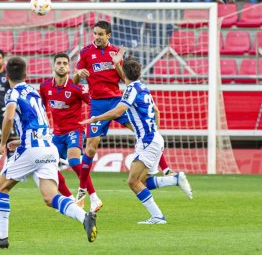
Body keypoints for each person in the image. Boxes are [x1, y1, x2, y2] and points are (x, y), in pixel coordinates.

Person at [0, 56, 97, 249]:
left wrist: (3, 143)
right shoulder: (34, 92)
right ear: (26, 74)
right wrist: (20, 140)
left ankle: (2, 237)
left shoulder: (12, 93)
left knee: (1, 187)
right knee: (50, 197)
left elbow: (9, 117)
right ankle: (84, 217)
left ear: (6, 76)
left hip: (31, 150)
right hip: (48, 147)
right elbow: (39, 122)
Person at [80, 58, 193, 224]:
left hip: (148, 142)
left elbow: (118, 111)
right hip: (153, 139)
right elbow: (157, 111)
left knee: (133, 181)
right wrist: (155, 134)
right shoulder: (143, 87)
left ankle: (158, 215)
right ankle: (173, 181)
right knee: (144, 181)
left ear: (123, 75)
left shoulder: (131, 89)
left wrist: (96, 118)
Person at [73, 20, 173, 205]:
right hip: (97, 103)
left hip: (117, 100)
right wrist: (80, 74)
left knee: (143, 130)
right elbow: (75, 79)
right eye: (95, 33)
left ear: (108, 35)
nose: (97, 37)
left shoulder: (115, 52)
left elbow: (124, 78)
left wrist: (117, 63)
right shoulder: (86, 52)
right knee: (91, 147)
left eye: (101, 34)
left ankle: (166, 168)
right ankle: (82, 189)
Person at [40, 53, 102, 212]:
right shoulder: (45, 87)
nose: (61, 65)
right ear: (54, 66)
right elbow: (40, 108)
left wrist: (96, 121)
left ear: (69, 67)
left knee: (74, 161)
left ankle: (94, 198)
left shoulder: (77, 89)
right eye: (58, 63)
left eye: (64, 63)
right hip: (57, 134)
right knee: (48, 167)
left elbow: (94, 104)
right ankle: (68, 199)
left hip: (75, 130)